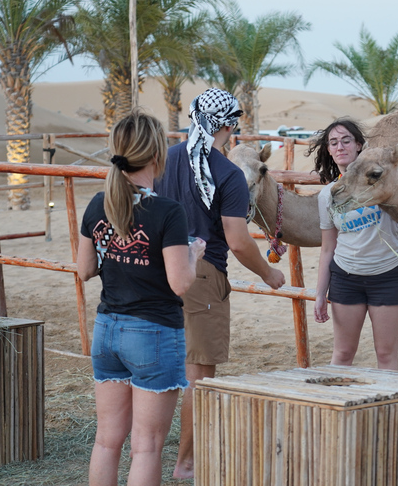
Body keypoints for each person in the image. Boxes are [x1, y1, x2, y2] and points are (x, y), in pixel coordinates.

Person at [154, 87, 286, 479]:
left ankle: (151, 453)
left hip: (156, 269)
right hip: (202, 275)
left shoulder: (163, 159)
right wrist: (269, 273)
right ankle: (186, 464)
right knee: (199, 376)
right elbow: (237, 240)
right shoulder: (226, 172)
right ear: (228, 125)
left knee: (161, 368)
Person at [77, 110, 206, 486]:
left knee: (106, 440)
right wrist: (193, 254)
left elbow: (84, 269)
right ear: (156, 156)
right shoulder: (167, 211)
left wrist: (116, 249)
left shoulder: (99, 203)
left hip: (107, 330)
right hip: (152, 333)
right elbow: (180, 283)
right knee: (147, 446)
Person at [309, 118, 398, 370]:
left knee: (386, 355)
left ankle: (389, 410)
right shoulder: (328, 195)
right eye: (333, 142)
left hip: (388, 276)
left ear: (359, 145)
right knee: (342, 353)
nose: (340, 146)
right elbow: (327, 249)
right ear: (328, 150)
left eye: (346, 140)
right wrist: (320, 294)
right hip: (346, 279)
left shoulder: (381, 178)